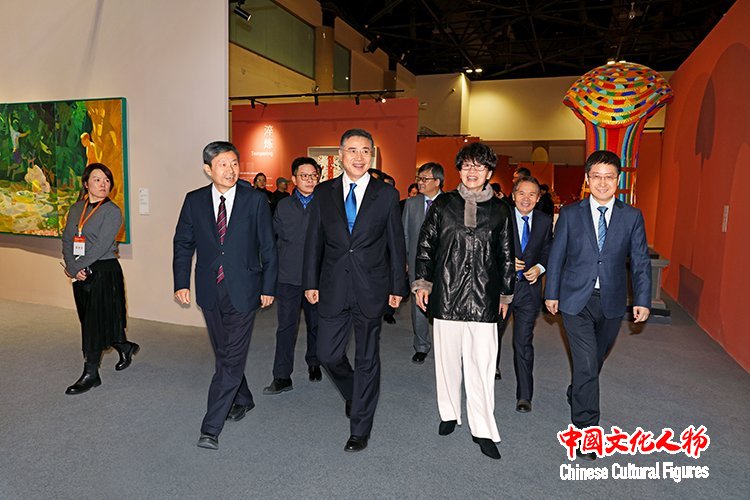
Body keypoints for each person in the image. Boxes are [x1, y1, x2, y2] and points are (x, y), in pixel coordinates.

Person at [303, 128, 406, 453]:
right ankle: (354, 392)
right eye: (352, 150)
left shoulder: (386, 194)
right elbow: (314, 241)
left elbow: (396, 243)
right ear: (340, 155)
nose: (359, 157)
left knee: (366, 358)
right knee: (327, 354)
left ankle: (360, 428)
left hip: (371, 287)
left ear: (371, 155)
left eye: (365, 151)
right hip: (333, 285)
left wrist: (397, 286)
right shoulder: (323, 192)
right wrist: (310, 281)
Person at [545, 150, 651, 460]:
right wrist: (551, 292)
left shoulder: (632, 216)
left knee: (594, 361)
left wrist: (642, 299)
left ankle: (577, 390)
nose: (602, 183)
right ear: (587, 179)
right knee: (588, 365)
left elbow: (640, 261)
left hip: (611, 302)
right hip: (575, 300)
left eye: (609, 177)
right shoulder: (570, 214)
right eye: (597, 177)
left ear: (618, 180)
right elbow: (556, 256)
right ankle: (586, 432)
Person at [413, 142, 515, 460]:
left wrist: (506, 293)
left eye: (479, 166)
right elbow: (426, 245)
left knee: (482, 366)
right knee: (446, 361)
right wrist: (423, 283)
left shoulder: (501, 210)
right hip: (447, 293)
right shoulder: (443, 204)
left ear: (489, 172)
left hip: (485, 297)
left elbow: (507, 255)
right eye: (467, 165)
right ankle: (449, 413)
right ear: (459, 170)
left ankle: (482, 428)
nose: (472, 172)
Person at [173, 141, 277, 451]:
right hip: (209, 287)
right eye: (222, 164)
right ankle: (243, 398)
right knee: (224, 352)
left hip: (244, 288)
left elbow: (268, 246)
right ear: (208, 169)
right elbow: (183, 243)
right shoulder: (194, 200)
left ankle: (211, 426)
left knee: (230, 360)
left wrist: (268, 287)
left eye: (234, 163)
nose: (230, 170)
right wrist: (181, 282)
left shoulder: (255, 200)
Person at [61, 163, 138, 395]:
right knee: (90, 320)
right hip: (80, 271)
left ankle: (91, 373)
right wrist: (72, 268)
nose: (103, 184)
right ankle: (124, 346)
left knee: (95, 324)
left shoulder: (112, 212)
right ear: (86, 184)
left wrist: (77, 267)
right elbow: (67, 239)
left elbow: (101, 246)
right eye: (97, 179)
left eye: (106, 180)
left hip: (104, 271)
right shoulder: (76, 208)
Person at [263, 158, 322, 395]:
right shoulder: (283, 206)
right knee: (286, 327)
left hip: (317, 279)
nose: (309, 180)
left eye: (313, 175)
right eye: (304, 176)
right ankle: (282, 376)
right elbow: (272, 241)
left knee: (316, 324)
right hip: (288, 277)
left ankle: (314, 362)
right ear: (294, 180)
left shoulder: (326, 205)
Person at [496, 176, 553, 415]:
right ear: (513, 195)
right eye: (521, 193)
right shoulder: (501, 216)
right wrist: (506, 262)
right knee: (493, 334)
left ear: (538, 198)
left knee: (523, 342)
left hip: (529, 291)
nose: (526, 199)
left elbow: (548, 249)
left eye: (532, 194)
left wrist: (540, 268)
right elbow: (487, 249)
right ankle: (491, 369)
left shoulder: (544, 221)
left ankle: (524, 395)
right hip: (501, 291)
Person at [402, 162, 444, 364]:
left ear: (437, 181)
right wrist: (405, 260)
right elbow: (405, 234)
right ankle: (421, 345)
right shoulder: (411, 204)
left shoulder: (450, 203)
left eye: (425, 179)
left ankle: (445, 347)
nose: (420, 182)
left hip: (443, 265)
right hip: (416, 264)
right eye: (419, 178)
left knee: (444, 306)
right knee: (418, 306)